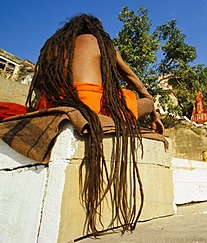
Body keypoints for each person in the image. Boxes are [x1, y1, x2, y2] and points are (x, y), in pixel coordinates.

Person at [25, 14, 163, 236]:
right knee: (146, 101)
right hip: (89, 103)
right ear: (95, 28)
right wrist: (154, 113)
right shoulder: (99, 42)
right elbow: (133, 78)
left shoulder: (53, 46)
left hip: (50, 103)